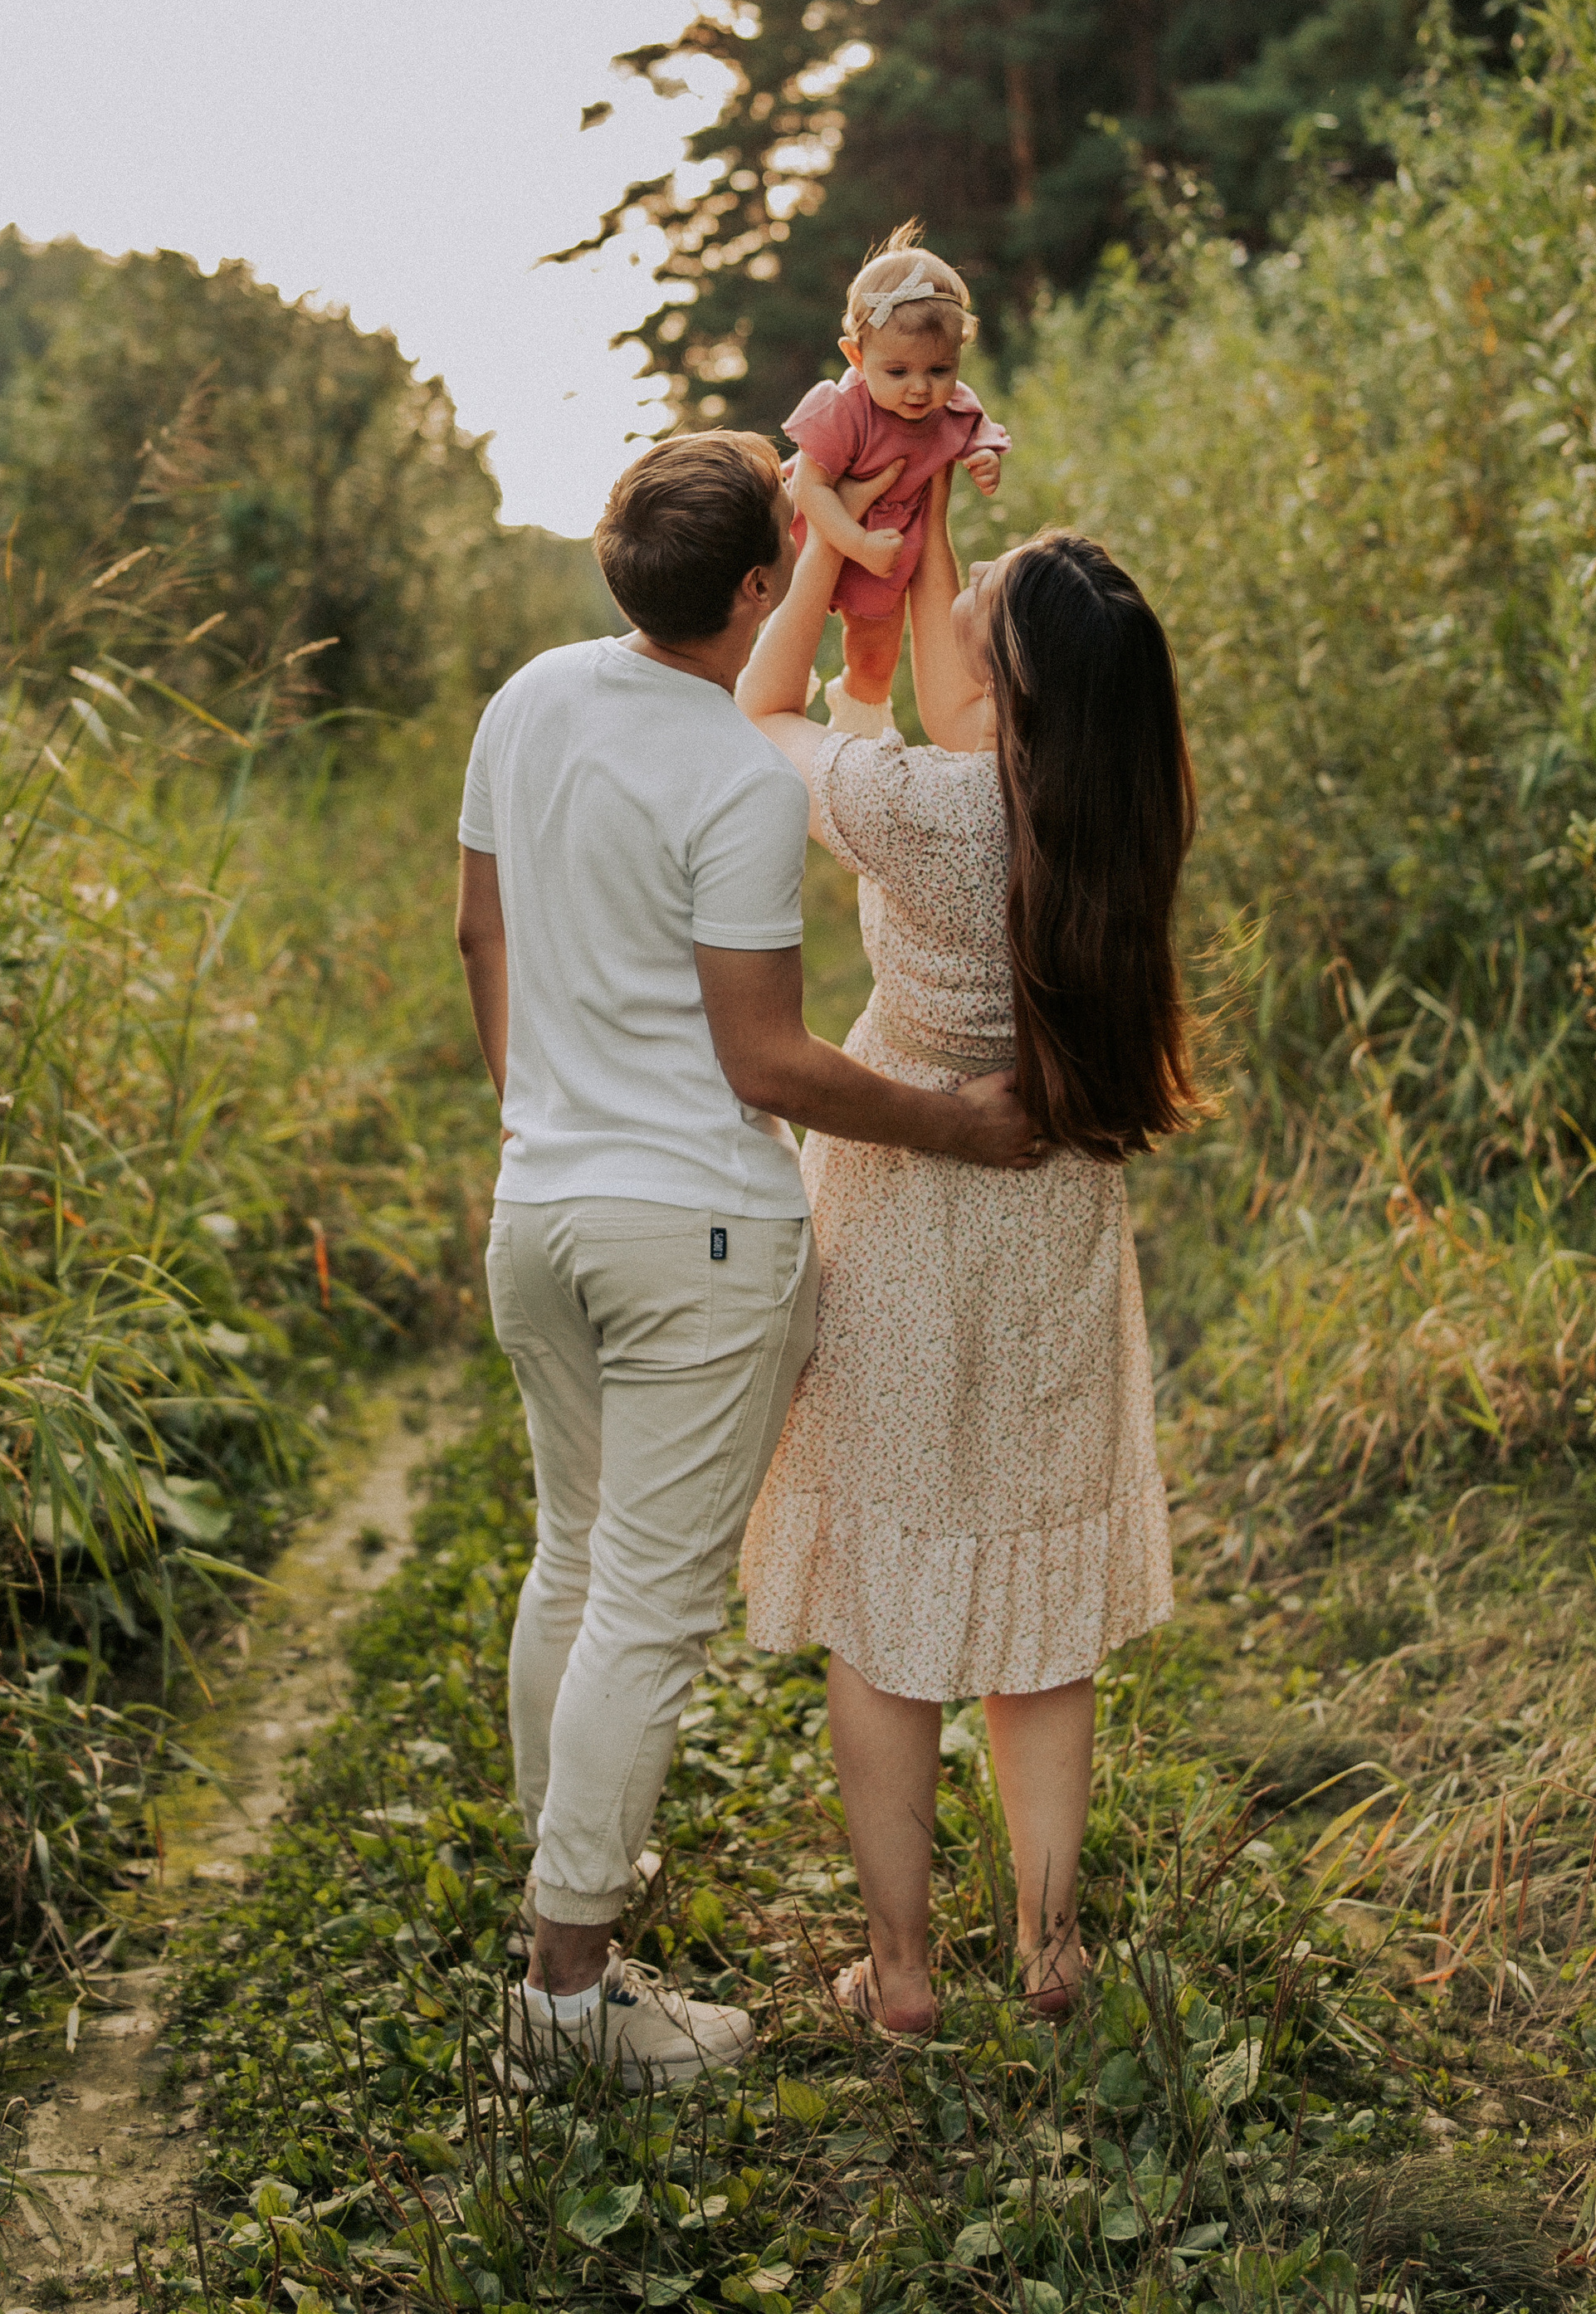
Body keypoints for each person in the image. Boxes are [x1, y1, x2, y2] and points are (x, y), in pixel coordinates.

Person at [454, 430, 1037, 2091]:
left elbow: (477, 932)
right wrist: (954, 1123)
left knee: (574, 1555)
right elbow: (767, 1062)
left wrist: (543, 1116)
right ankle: (567, 2001)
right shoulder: (727, 774)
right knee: (642, 1598)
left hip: (541, 1209)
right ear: (761, 588)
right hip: (692, 1237)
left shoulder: (526, 703)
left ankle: (569, 1875)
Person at [736, 473, 1198, 2032]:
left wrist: (829, 548)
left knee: (887, 1603)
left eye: (979, 614)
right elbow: (938, 672)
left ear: (1000, 685)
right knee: (1036, 1601)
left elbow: (765, 707)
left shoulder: (918, 810)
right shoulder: (1131, 817)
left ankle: (908, 1973)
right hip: (1054, 1207)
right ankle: (1052, 1950)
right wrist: (929, 520)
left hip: (901, 1204)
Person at [782, 222, 1009, 737]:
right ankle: (774, 710)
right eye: (899, 372)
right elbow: (808, 489)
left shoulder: (952, 406)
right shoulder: (841, 409)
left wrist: (986, 462)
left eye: (940, 369)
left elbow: (977, 436)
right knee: (786, 632)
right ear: (857, 357)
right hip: (811, 538)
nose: (920, 389)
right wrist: (855, 542)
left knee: (874, 655)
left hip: (885, 555)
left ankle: (858, 726)